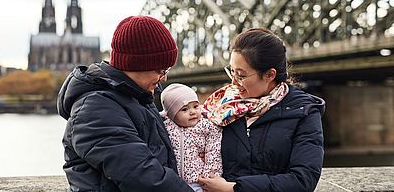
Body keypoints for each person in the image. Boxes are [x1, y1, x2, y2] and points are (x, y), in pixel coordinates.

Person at [57, 15, 194, 192]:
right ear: (135, 65)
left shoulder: (136, 96)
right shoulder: (95, 108)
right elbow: (142, 176)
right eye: (161, 70)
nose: (164, 77)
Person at [198, 28, 325, 192]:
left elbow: (302, 180)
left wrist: (233, 188)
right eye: (232, 72)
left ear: (270, 75)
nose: (234, 83)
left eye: (241, 76)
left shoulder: (304, 111)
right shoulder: (220, 108)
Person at [160, 83, 222, 192]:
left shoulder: (207, 127)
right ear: (171, 115)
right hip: (175, 181)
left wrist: (209, 177)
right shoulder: (167, 127)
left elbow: (213, 152)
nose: (192, 112)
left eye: (195, 106)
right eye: (184, 109)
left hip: (200, 181)